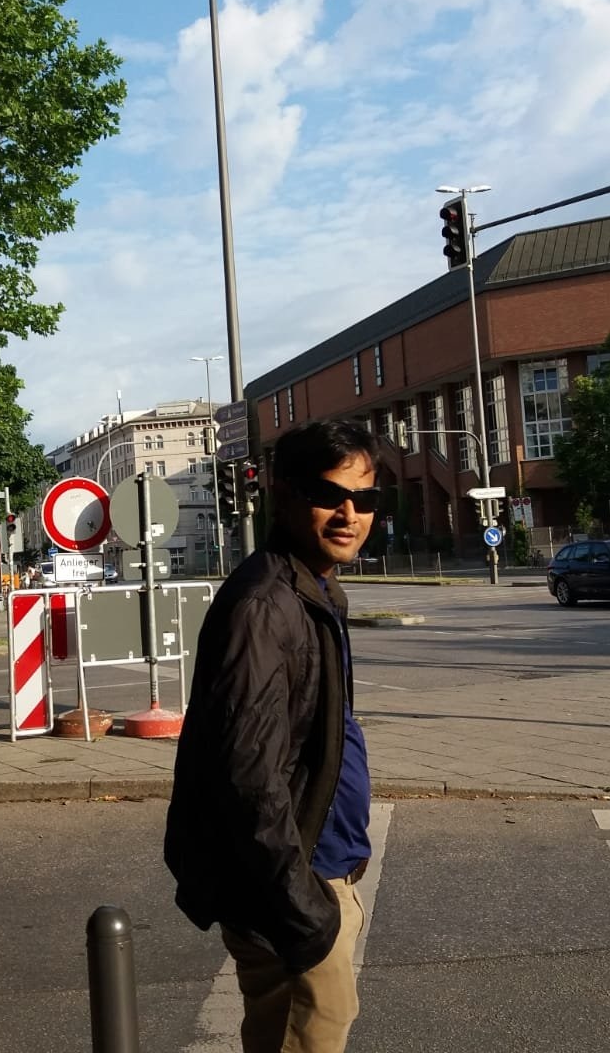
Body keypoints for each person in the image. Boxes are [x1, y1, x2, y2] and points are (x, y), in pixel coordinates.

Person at [165, 419, 388, 1053]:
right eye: (329, 495)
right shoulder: (266, 605)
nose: (349, 514)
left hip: (318, 864)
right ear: (285, 495)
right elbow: (248, 776)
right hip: (293, 882)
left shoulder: (314, 588)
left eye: (365, 498)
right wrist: (302, 910)